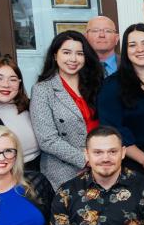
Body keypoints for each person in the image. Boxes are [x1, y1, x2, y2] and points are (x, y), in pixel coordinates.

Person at [97, 23, 144, 202]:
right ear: (125, 51)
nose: (140, 49)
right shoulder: (111, 87)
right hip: (135, 166)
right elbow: (113, 129)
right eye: (132, 45)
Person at [30, 31, 104, 189]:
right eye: (66, 52)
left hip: (103, 166)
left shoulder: (96, 85)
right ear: (55, 55)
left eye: (79, 53)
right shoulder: (43, 90)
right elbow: (47, 140)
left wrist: (101, 158)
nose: (73, 59)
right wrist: (84, 159)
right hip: (64, 172)